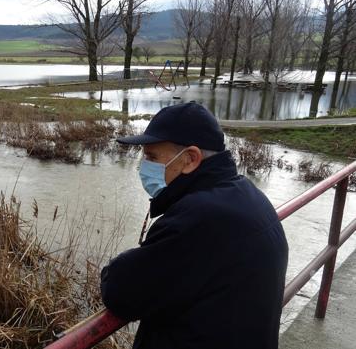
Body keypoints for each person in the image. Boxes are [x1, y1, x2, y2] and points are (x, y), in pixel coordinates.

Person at [100, 102, 288, 349]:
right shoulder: (246, 193)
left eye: (152, 157)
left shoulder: (199, 218)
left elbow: (120, 291)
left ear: (190, 159)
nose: (144, 167)